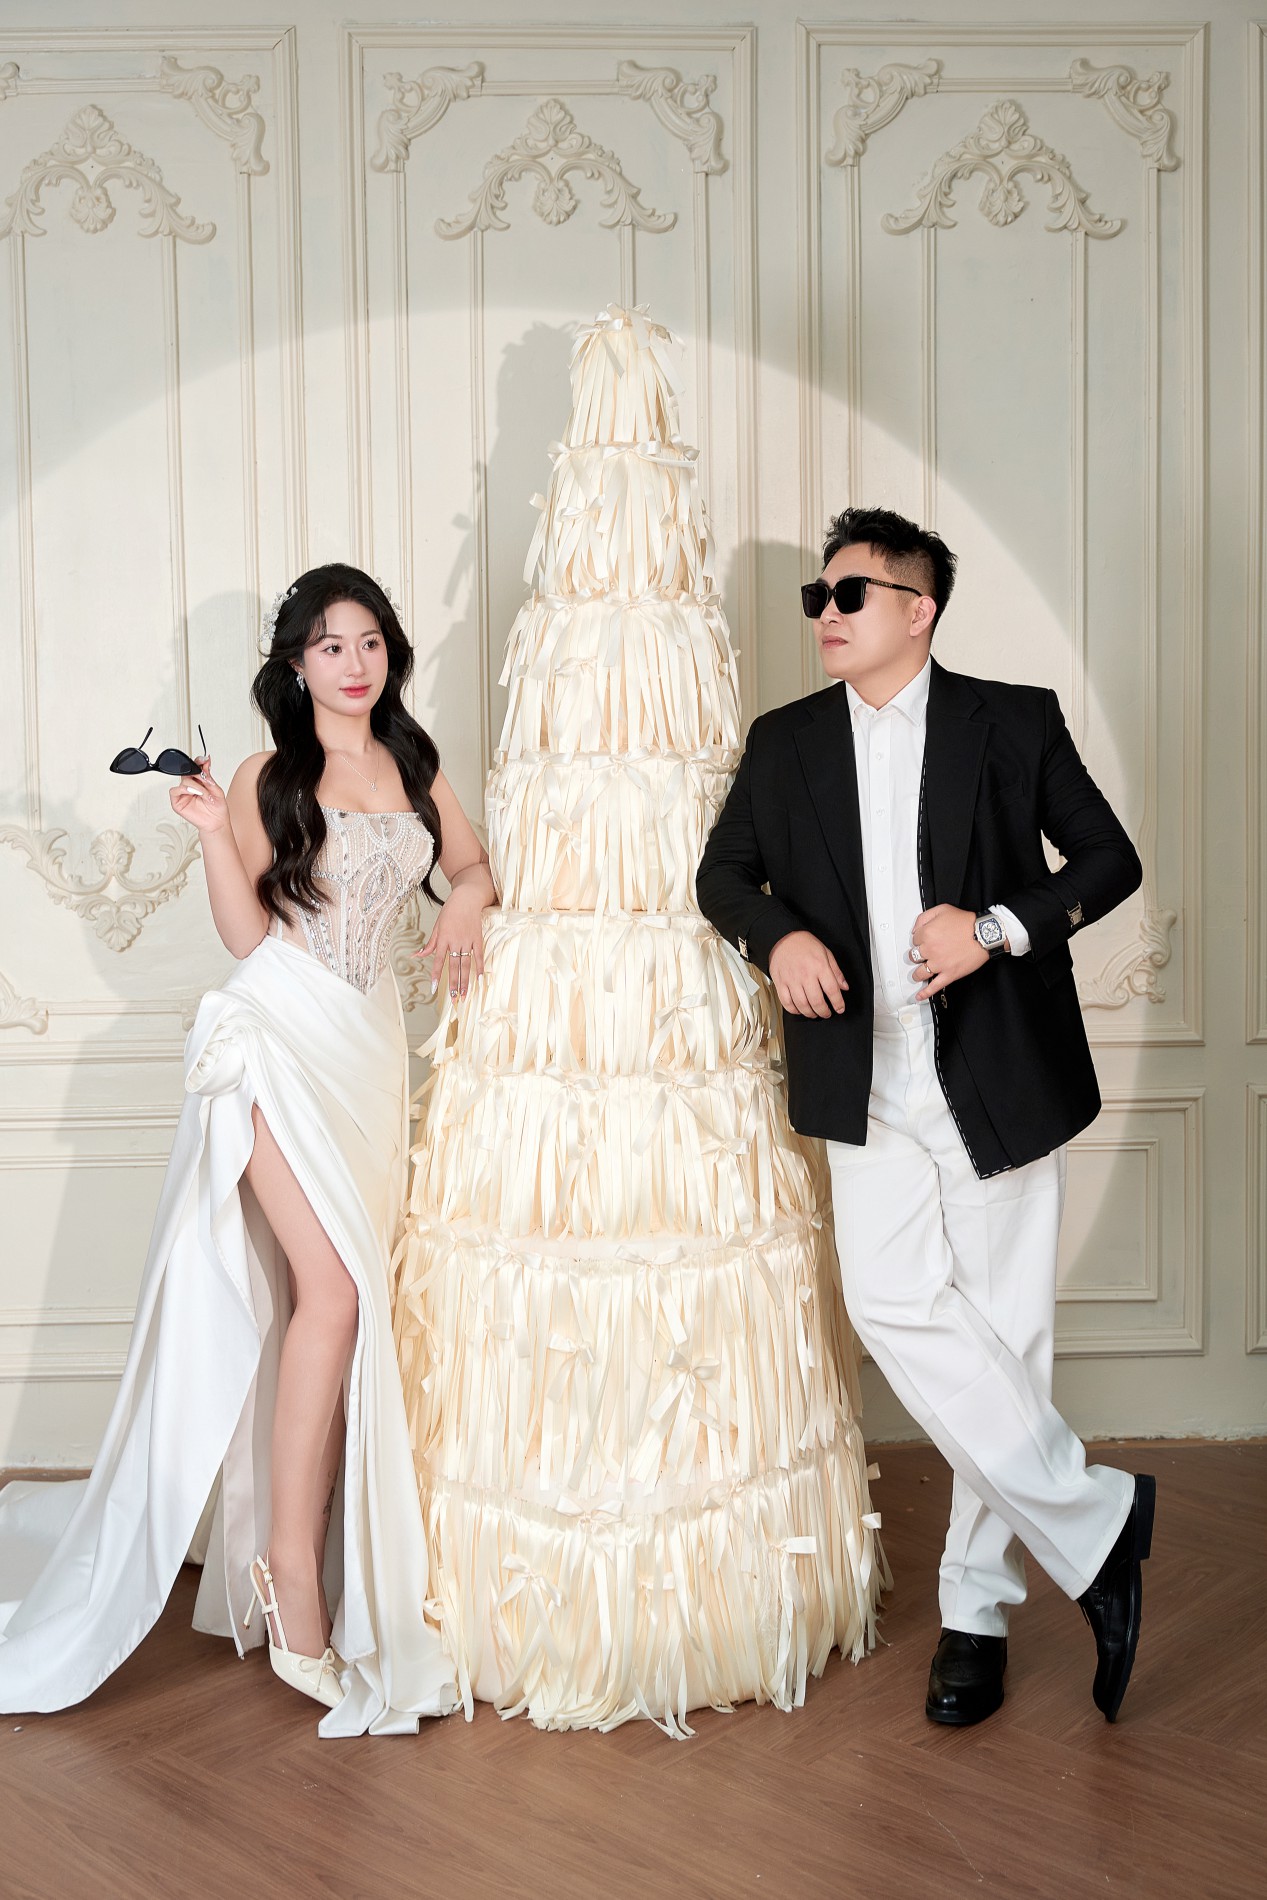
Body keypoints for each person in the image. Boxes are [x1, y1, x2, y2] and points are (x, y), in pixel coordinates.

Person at [0, 563, 496, 1734]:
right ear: (296, 665)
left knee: (337, 1302)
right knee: (331, 1294)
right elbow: (244, 931)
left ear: (389, 652)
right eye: (329, 646)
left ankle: (300, 1547)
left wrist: (468, 900)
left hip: (372, 1055)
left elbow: (470, 865)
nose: (353, 663)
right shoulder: (269, 776)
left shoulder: (414, 762)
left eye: (368, 641)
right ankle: (290, 1577)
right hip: (274, 1035)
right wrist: (212, 835)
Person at [695, 507, 1155, 1727]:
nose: (827, 612)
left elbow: (1107, 861)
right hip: (865, 1076)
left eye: (851, 593)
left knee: (1004, 1333)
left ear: (919, 609)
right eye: (818, 595)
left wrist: (994, 927)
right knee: (892, 1303)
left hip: (998, 1066)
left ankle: (976, 1613)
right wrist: (777, 936)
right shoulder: (787, 741)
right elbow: (721, 874)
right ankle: (1097, 1519)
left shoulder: (1012, 719)